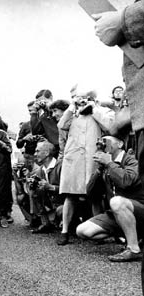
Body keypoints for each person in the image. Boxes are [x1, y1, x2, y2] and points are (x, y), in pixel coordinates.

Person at [92, 2, 144, 289]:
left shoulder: (129, 154)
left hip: (134, 202)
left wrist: (123, 20)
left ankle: (134, 245)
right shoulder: (116, 140)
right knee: (86, 228)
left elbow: (129, 179)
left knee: (116, 200)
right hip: (128, 205)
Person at [57, 85, 114, 246]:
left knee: (95, 195)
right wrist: (72, 106)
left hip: (91, 159)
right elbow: (61, 125)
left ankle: (99, 229)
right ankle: (65, 231)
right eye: (78, 98)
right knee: (70, 195)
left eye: (84, 98)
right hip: (73, 158)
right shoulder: (73, 114)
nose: (81, 101)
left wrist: (93, 108)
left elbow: (109, 126)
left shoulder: (101, 112)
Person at [76, 136, 144, 262]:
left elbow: (127, 181)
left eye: (106, 141)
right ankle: (130, 235)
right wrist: (100, 169)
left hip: (139, 209)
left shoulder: (132, 159)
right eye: (100, 142)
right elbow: (90, 193)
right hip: (118, 214)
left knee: (116, 201)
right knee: (82, 231)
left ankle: (134, 249)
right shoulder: (106, 165)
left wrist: (109, 163)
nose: (102, 144)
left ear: (120, 144)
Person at [29, 141, 63, 234]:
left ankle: (66, 222)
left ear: (47, 153)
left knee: (62, 210)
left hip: (62, 204)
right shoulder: (39, 171)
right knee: (34, 188)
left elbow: (70, 190)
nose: (35, 154)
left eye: (38, 151)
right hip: (50, 204)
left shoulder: (61, 166)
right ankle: (46, 223)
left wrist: (50, 187)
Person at [29, 89, 59, 156]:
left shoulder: (60, 110)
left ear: (51, 97)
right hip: (54, 149)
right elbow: (35, 131)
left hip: (66, 145)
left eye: (43, 100)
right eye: (39, 101)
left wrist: (49, 108)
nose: (42, 103)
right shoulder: (43, 117)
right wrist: (34, 113)